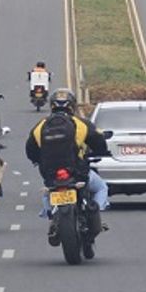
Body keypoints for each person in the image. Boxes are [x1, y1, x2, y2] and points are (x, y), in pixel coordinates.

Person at [25, 89, 111, 239]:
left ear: (51, 105)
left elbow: (30, 149)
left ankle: (51, 217)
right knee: (101, 187)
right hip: (77, 171)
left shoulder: (41, 125)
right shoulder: (81, 124)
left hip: (50, 173)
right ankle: (95, 212)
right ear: (72, 106)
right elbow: (98, 141)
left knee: (48, 191)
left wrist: (38, 160)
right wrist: (101, 152)